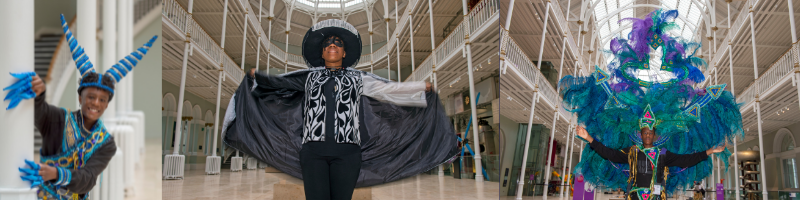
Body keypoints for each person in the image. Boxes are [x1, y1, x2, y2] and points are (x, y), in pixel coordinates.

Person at [222, 19, 458, 200]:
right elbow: (279, 83)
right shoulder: (307, 78)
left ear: (344, 53)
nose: (332, 45)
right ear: (322, 53)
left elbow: (389, 90)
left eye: (337, 44)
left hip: (348, 154)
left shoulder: (358, 78)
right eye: (327, 44)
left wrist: (419, 89)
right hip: (312, 153)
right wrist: (257, 78)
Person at [8, 14, 157, 199]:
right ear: (80, 98)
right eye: (91, 97)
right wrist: (39, 93)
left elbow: (88, 178)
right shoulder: (57, 119)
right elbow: (38, 112)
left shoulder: (106, 144)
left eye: (102, 100)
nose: (96, 103)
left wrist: (56, 174)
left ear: (107, 104)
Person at [575, 125, 724, 200]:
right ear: (641, 135)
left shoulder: (663, 154)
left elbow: (685, 160)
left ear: (654, 135)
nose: (647, 135)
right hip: (635, 197)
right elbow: (610, 154)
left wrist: (709, 151)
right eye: (645, 132)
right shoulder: (632, 152)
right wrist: (588, 137)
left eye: (650, 133)